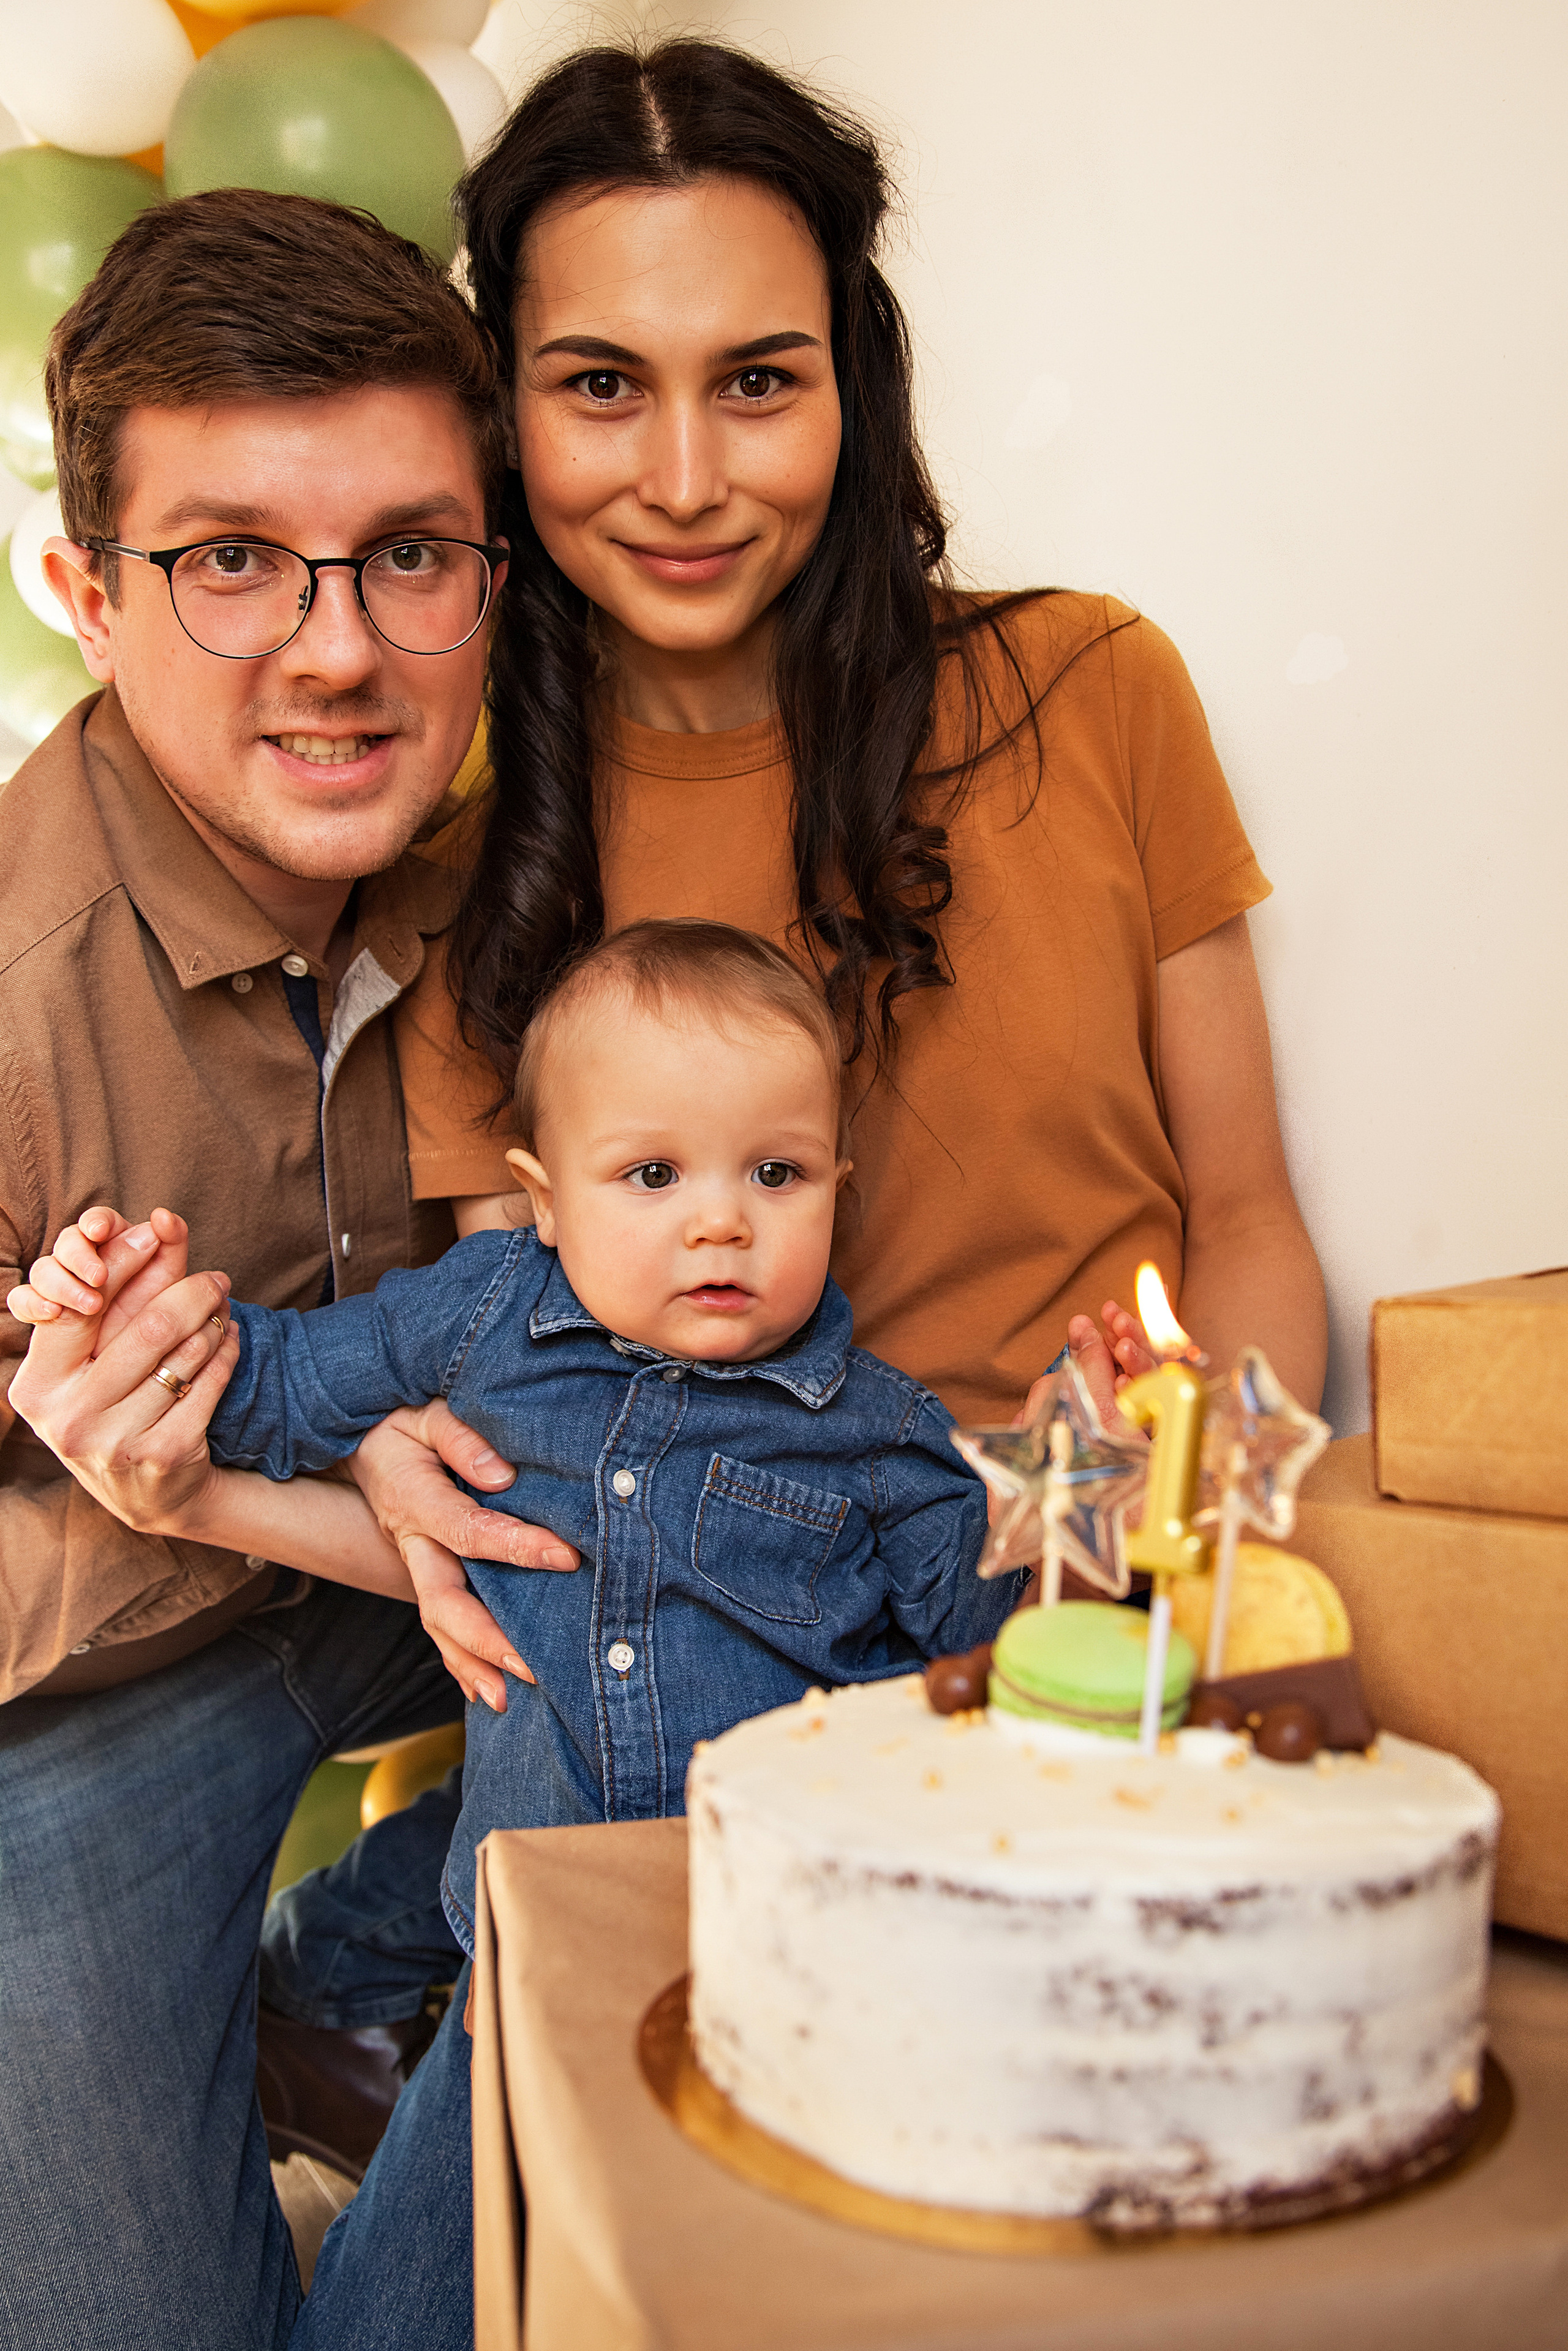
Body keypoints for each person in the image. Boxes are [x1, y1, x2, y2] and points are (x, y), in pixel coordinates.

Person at [13, 37, 1327, 2347]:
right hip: (647, 1665)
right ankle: (412, 1992)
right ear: (513, 422)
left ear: (856, 384)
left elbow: (1244, 1218)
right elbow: (515, 1414)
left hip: (1051, 1592)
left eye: (764, 379)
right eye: (603, 384)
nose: (690, 473)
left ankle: (385, 1969)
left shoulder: (1094, 691)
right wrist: (227, 1450)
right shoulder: (475, 864)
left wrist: (1187, 1572)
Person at [0, 187, 581, 2351]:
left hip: (405, 1589)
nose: (338, 650)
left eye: (408, 553)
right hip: (69, 1695)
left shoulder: (515, 874)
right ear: (87, 592)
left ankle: (350, 1963)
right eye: (232, 557)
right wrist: (147, 1470)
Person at [17, 921, 1027, 1953]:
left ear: (836, 1194)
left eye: (777, 1173)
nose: (723, 1222)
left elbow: (997, 1628)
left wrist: (1065, 1484)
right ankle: (328, 1971)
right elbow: (289, 1382)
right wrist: (139, 1325)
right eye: (654, 1175)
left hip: (791, 1932)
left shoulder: (880, 1429)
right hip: (529, 1932)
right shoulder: (488, 1308)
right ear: (545, 1200)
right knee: (436, 2056)